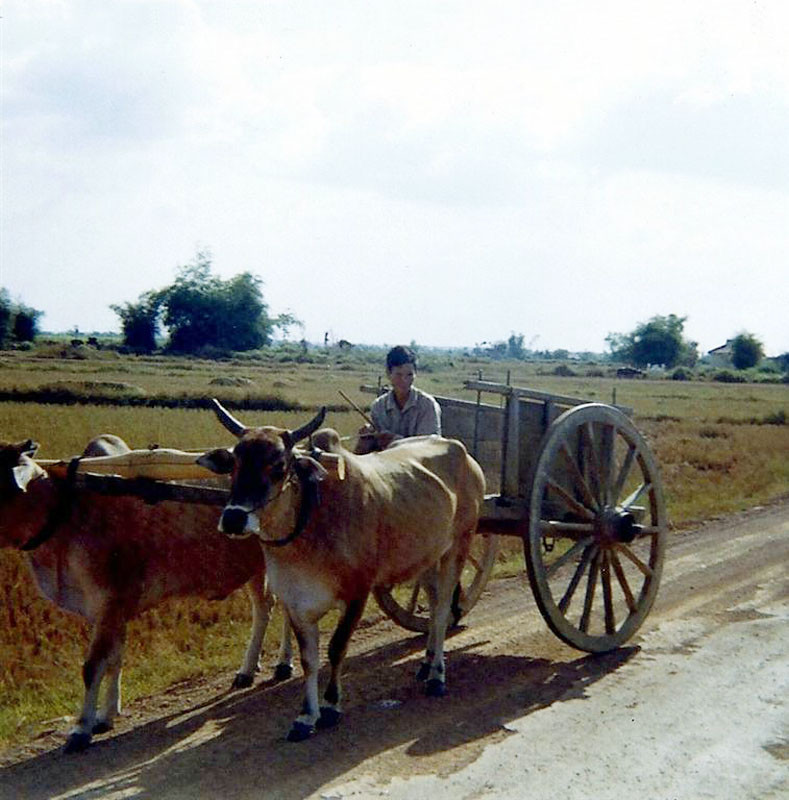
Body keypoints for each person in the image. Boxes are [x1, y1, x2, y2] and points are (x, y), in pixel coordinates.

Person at [358, 345, 441, 451]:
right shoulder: (378, 406)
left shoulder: (427, 405)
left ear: (416, 374)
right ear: (388, 374)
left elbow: (428, 447)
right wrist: (368, 435)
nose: (404, 380)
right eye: (398, 374)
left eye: (409, 375)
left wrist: (395, 440)